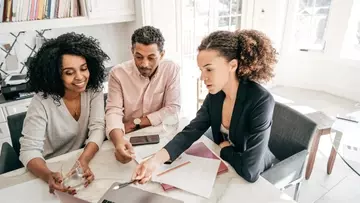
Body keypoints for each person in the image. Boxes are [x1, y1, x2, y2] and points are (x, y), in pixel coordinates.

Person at [132, 29, 278, 183]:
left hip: (261, 176)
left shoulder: (260, 101)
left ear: (232, 65)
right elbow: (191, 131)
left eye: (209, 69)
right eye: (201, 70)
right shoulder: (215, 95)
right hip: (230, 168)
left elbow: (251, 171)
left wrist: (225, 149)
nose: (203, 77)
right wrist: (154, 162)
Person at [19, 32, 109, 194]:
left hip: (79, 159)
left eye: (83, 69)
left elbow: (98, 127)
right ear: (55, 75)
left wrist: (83, 160)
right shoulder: (42, 101)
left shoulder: (93, 90)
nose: (80, 77)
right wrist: (48, 175)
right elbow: (29, 150)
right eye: (69, 72)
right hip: (48, 167)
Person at [105, 26, 181, 164]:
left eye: (151, 58)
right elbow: (113, 111)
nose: (144, 64)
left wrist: (137, 122)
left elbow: (173, 108)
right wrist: (118, 143)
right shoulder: (117, 73)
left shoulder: (171, 69)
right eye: (138, 57)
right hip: (129, 136)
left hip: (160, 134)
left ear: (162, 55)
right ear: (132, 51)